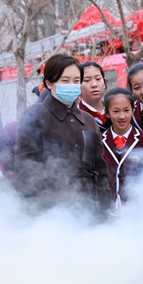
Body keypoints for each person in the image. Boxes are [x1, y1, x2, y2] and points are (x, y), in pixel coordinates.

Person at [14, 53, 111, 216]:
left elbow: (99, 170)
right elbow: (26, 169)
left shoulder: (89, 121)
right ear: (50, 83)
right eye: (65, 81)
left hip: (88, 211)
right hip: (51, 214)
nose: (72, 85)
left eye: (76, 81)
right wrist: (34, 212)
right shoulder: (35, 115)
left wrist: (105, 209)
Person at [101, 87, 143, 206]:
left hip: (136, 208)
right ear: (107, 113)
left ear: (133, 110)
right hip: (107, 209)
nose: (122, 116)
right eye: (116, 111)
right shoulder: (99, 140)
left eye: (126, 110)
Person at [78, 61, 108, 131]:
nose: (94, 84)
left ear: (104, 82)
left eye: (98, 79)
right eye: (87, 80)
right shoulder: (76, 116)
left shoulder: (114, 109)